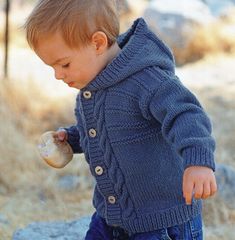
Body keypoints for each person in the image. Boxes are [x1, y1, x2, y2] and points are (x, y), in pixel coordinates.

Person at [24, 0, 217, 239]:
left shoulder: (147, 80)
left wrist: (198, 161)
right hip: (111, 217)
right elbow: (105, 132)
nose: (57, 75)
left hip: (160, 221)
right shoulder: (92, 89)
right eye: (52, 67)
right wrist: (72, 139)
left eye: (64, 64)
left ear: (97, 43)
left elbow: (187, 114)